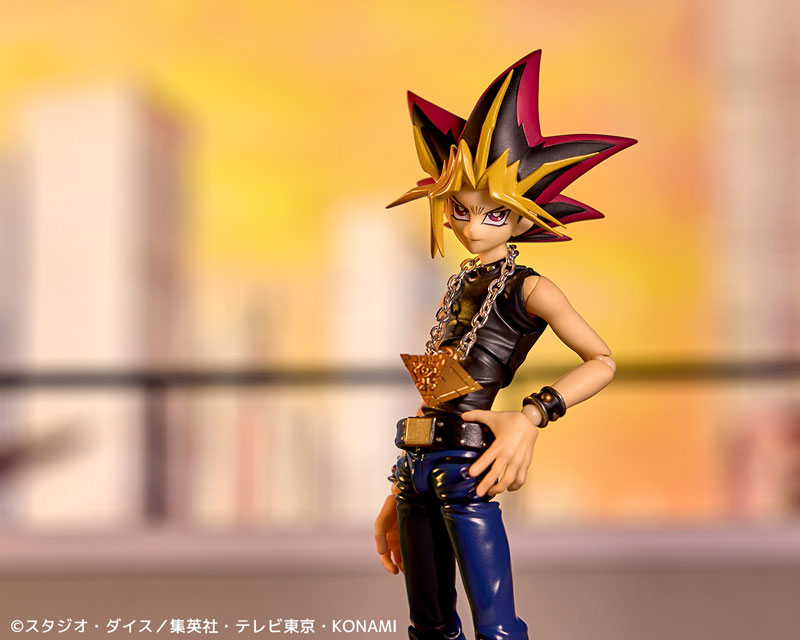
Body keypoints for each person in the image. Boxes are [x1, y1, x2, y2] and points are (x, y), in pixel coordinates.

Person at [374, 50, 636, 640]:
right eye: (461, 210)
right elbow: (438, 386)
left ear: (524, 219)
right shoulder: (460, 283)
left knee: (495, 628)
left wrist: (532, 415)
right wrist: (397, 483)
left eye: (492, 215)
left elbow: (602, 360)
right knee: (428, 627)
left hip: (469, 464)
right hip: (419, 461)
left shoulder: (530, 288)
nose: (471, 226)